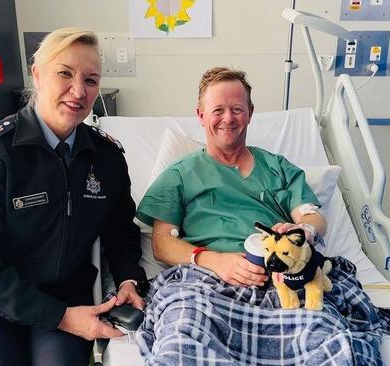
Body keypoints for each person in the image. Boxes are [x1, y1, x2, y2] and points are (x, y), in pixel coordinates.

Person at [0, 27, 146, 366]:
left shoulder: (106, 158)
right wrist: (60, 317)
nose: (78, 91)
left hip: (62, 299)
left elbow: (120, 232)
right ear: (38, 75)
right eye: (65, 74)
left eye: (91, 80)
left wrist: (129, 279)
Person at [136, 66, 327, 287]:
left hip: (280, 278)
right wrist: (214, 261)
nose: (228, 118)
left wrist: (303, 230)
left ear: (250, 113)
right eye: (218, 110)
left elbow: (312, 217)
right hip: (205, 281)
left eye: (237, 109)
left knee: (319, 318)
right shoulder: (179, 176)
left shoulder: (278, 168)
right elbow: (162, 244)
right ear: (201, 115)